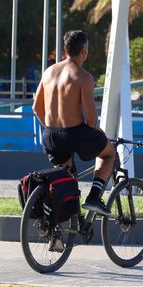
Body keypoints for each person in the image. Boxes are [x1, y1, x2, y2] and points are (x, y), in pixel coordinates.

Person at [33, 30, 115, 215]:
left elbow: (36, 108)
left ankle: (64, 224)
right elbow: (91, 120)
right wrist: (98, 132)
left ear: (65, 49)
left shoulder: (48, 72)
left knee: (67, 179)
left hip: (50, 135)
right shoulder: (83, 77)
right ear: (84, 51)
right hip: (74, 134)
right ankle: (94, 197)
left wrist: (52, 128)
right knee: (109, 153)